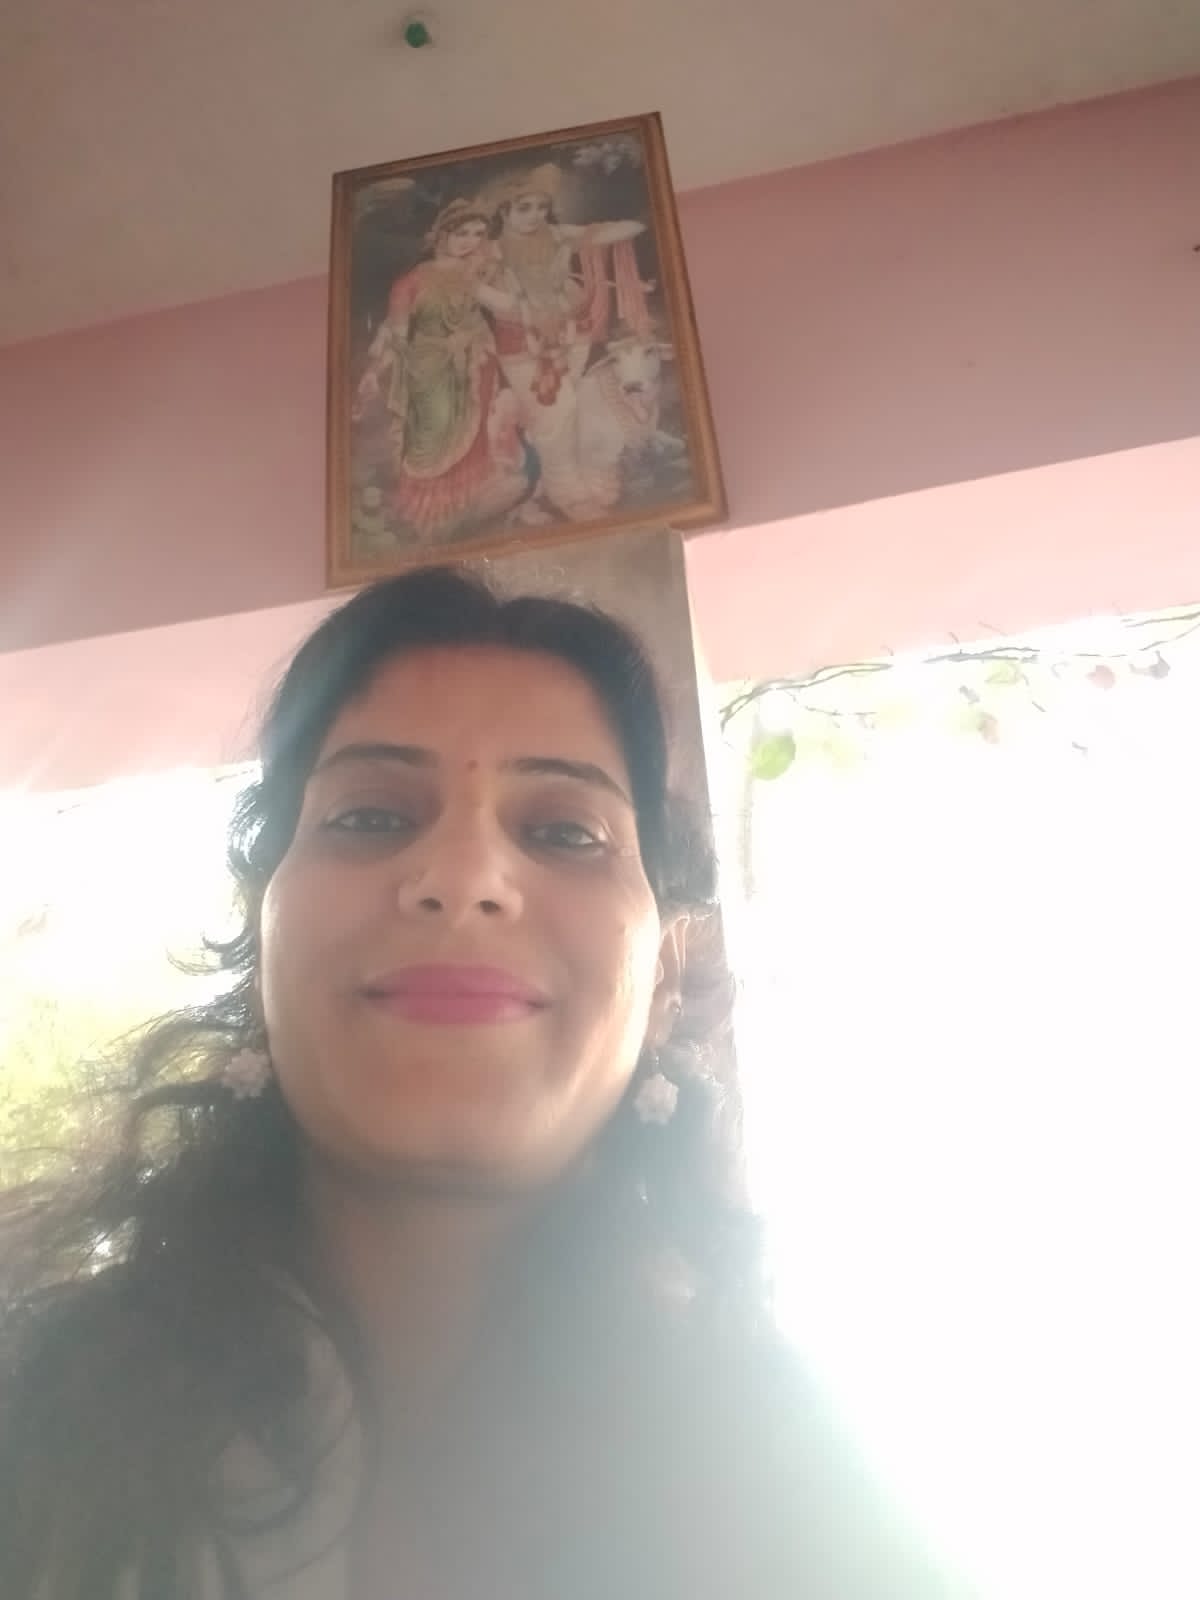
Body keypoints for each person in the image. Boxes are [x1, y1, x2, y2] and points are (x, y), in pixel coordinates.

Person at [0, 567, 966, 1598]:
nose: (461, 877)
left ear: (666, 976)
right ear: (261, 936)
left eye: (564, 832)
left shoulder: (818, 1509)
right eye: (369, 817)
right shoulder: (30, 1417)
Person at [353, 200, 537, 542]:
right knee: (430, 437)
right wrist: (374, 372)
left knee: (478, 434)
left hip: (475, 364)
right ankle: (431, 515)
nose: (470, 241)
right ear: (441, 234)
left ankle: (469, 501)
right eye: (462, 233)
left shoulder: (476, 272)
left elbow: (507, 304)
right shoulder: (411, 282)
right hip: (427, 370)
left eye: (478, 234)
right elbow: (395, 333)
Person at [480, 164, 652, 521]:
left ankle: (568, 479)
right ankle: (566, 493)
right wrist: (516, 305)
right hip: (522, 345)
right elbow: (474, 289)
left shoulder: (558, 235)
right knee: (553, 417)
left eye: (541, 207)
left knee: (569, 410)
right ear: (504, 212)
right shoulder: (490, 252)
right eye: (524, 208)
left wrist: (645, 220)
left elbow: (614, 231)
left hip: (572, 337)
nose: (535, 216)